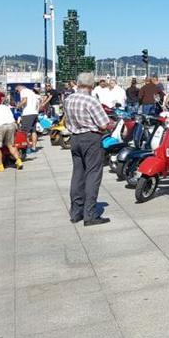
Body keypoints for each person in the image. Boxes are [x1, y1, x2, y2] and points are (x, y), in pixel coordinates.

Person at [64, 72, 113, 226]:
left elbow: (67, 120)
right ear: (92, 85)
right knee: (93, 174)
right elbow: (104, 124)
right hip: (90, 138)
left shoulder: (68, 99)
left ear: (78, 84)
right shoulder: (91, 101)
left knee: (77, 174)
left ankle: (76, 212)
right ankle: (90, 214)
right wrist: (112, 124)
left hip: (75, 138)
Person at [16, 84, 40, 153]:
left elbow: (24, 100)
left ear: (19, 88)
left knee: (24, 132)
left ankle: (26, 148)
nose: (18, 92)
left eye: (17, 91)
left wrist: (18, 106)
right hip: (34, 113)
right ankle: (34, 147)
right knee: (33, 131)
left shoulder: (23, 91)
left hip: (28, 113)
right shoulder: (31, 92)